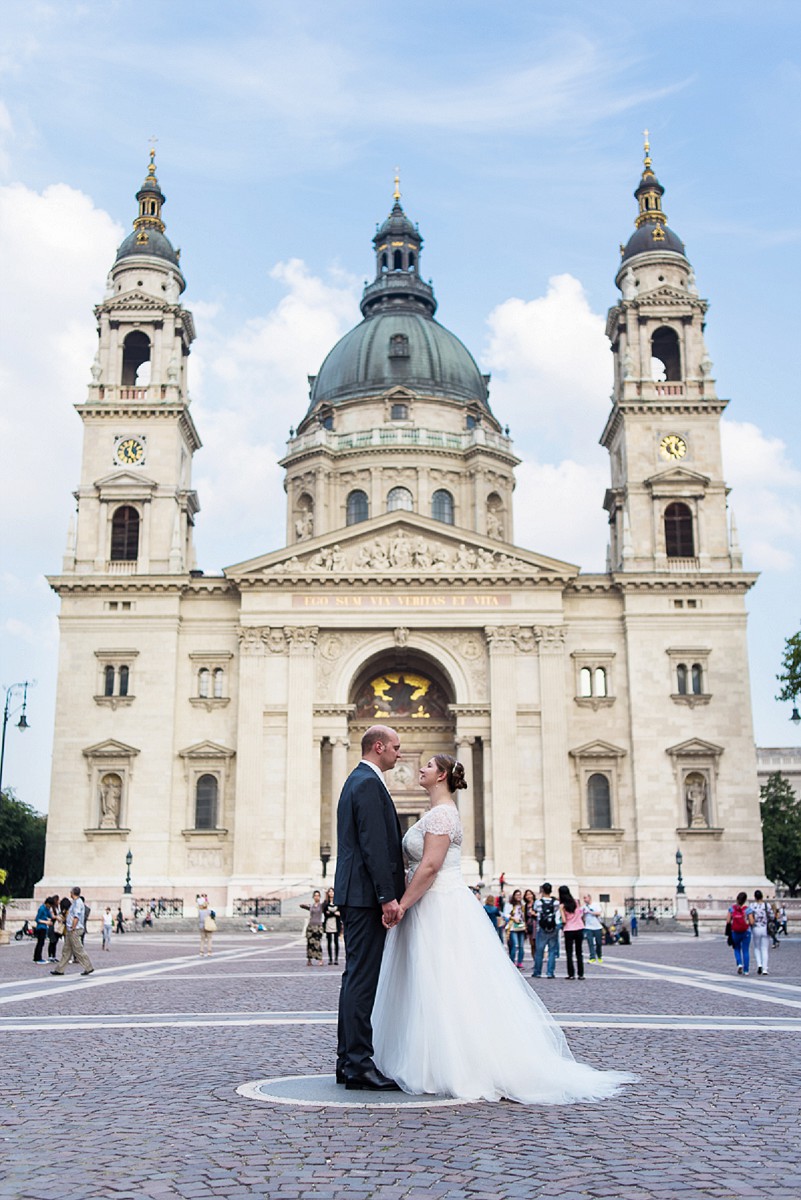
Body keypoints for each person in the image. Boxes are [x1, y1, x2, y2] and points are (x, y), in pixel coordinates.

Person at [372, 755, 634, 1102]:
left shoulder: (442, 814)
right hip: (432, 904)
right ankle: (437, 1059)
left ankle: (445, 1063)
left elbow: (432, 865)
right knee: (436, 983)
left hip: (436, 905)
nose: (420, 768)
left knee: (441, 982)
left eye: (429, 765)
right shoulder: (438, 814)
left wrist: (402, 904)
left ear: (443, 775)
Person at [333, 725, 405, 1091]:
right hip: (364, 896)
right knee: (362, 980)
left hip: (355, 893)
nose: (399, 753)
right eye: (395, 747)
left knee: (354, 978)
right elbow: (374, 845)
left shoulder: (357, 781)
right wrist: (387, 896)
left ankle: (348, 1060)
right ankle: (359, 1064)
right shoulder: (367, 784)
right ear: (378, 747)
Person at [50, 886, 94, 977]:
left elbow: (76, 916)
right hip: (71, 929)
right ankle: (59, 969)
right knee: (66, 950)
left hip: (74, 929)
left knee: (78, 949)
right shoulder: (75, 902)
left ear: (73, 893)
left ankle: (88, 967)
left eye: (70, 892)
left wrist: (73, 927)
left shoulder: (78, 903)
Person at [532, 883, 559, 979]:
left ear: (542, 890)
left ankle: (537, 972)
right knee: (552, 951)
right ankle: (550, 972)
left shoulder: (538, 902)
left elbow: (535, 911)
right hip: (553, 927)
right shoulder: (555, 902)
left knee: (539, 951)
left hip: (542, 928)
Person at [559, 886, 585, 980]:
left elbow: (564, 920)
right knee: (579, 952)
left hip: (569, 929)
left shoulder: (562, 906)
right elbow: (581, 914)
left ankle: (571, 974)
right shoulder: (576, 902)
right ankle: (581, 974)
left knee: (569, 953)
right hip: (579, 928)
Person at [728, 890, 753, 975]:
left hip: (735, 931)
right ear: (745, 900)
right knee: (745, 950)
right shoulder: (747, 909)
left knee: (736, 948)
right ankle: (746, 970)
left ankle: (739, 963)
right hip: (746, 932)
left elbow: (728, 921)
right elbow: (752, 922)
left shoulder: (732, 908)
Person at [300, 890, 324, 966]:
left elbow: (326, 903)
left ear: (320, 897)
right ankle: (309, 959)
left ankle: (320, 959)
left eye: (318, 895)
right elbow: (302, 906)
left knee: (318, 943)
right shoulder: (312, 906)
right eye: (315, 895)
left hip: (318, 926)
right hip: (311, 926)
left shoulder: (321, 905)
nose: (316, 897)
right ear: (313, 897)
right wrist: (304, 905)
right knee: (310, 943)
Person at [750, 889, 772, 976]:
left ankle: (759, 964)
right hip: (765, 928)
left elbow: (749, 916)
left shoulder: (752, 906)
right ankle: (765, 969)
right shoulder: (767, 905)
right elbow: (771, 916)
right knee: (764, 949)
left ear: (755, 897)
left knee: (757, 948)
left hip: (755, 928)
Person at [504, 889, 526, 969]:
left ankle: (519, 962)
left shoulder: (523, 905)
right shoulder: (509, 904)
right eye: (517, 895)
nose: (518, 897)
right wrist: (513, 918)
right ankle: (512, 962)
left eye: (519, 895)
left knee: (521, 946)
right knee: (515, 945)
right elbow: (505, 914)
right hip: (513, 927)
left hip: (521, 927)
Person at [581, 894, 603, 963]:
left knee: (599, 943)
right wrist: (584, 913)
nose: (584, 899)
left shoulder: (596, 905)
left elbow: (599, 913)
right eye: (583, 898)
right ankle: (592, 957)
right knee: (590, 942)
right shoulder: (583, 907)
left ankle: (599, 955)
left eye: (585, 898)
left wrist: (589, 912)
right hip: (588, 927)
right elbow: (582, 917)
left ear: (589, 898)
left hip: (597, 926)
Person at [322, 887, 341, 965]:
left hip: (336, 923)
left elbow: (339, 913)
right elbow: (325, 913)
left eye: (332, 892)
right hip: (328, 923)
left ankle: (336, 958)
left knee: (336, 941)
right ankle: (330, 959)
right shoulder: (326, 903)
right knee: (329, 941)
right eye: (330, 892)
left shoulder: (338, 902)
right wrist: (334, 913)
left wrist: (331, 913)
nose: (331, 893)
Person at [33, 897, 52, 964]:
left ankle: (37, 957)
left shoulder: (46, 909)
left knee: (41, 943)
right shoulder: (42, 908)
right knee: (40, 943)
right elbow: (37, 919)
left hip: (44, 928)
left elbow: (50, 916)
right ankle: (38, 958)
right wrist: (46, 922)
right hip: (41, 927)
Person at [523, 889, 537, 962]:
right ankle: (535, 960)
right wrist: (525, 926)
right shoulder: (525, 906)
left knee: (537, 944)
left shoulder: (537, 903)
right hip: (530, 926)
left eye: (530, 894)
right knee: (532, 944)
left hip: (537, 925)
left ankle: (538, 961)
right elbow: (525, 916)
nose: (529, 896)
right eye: (527, 895)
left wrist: (534, 913)